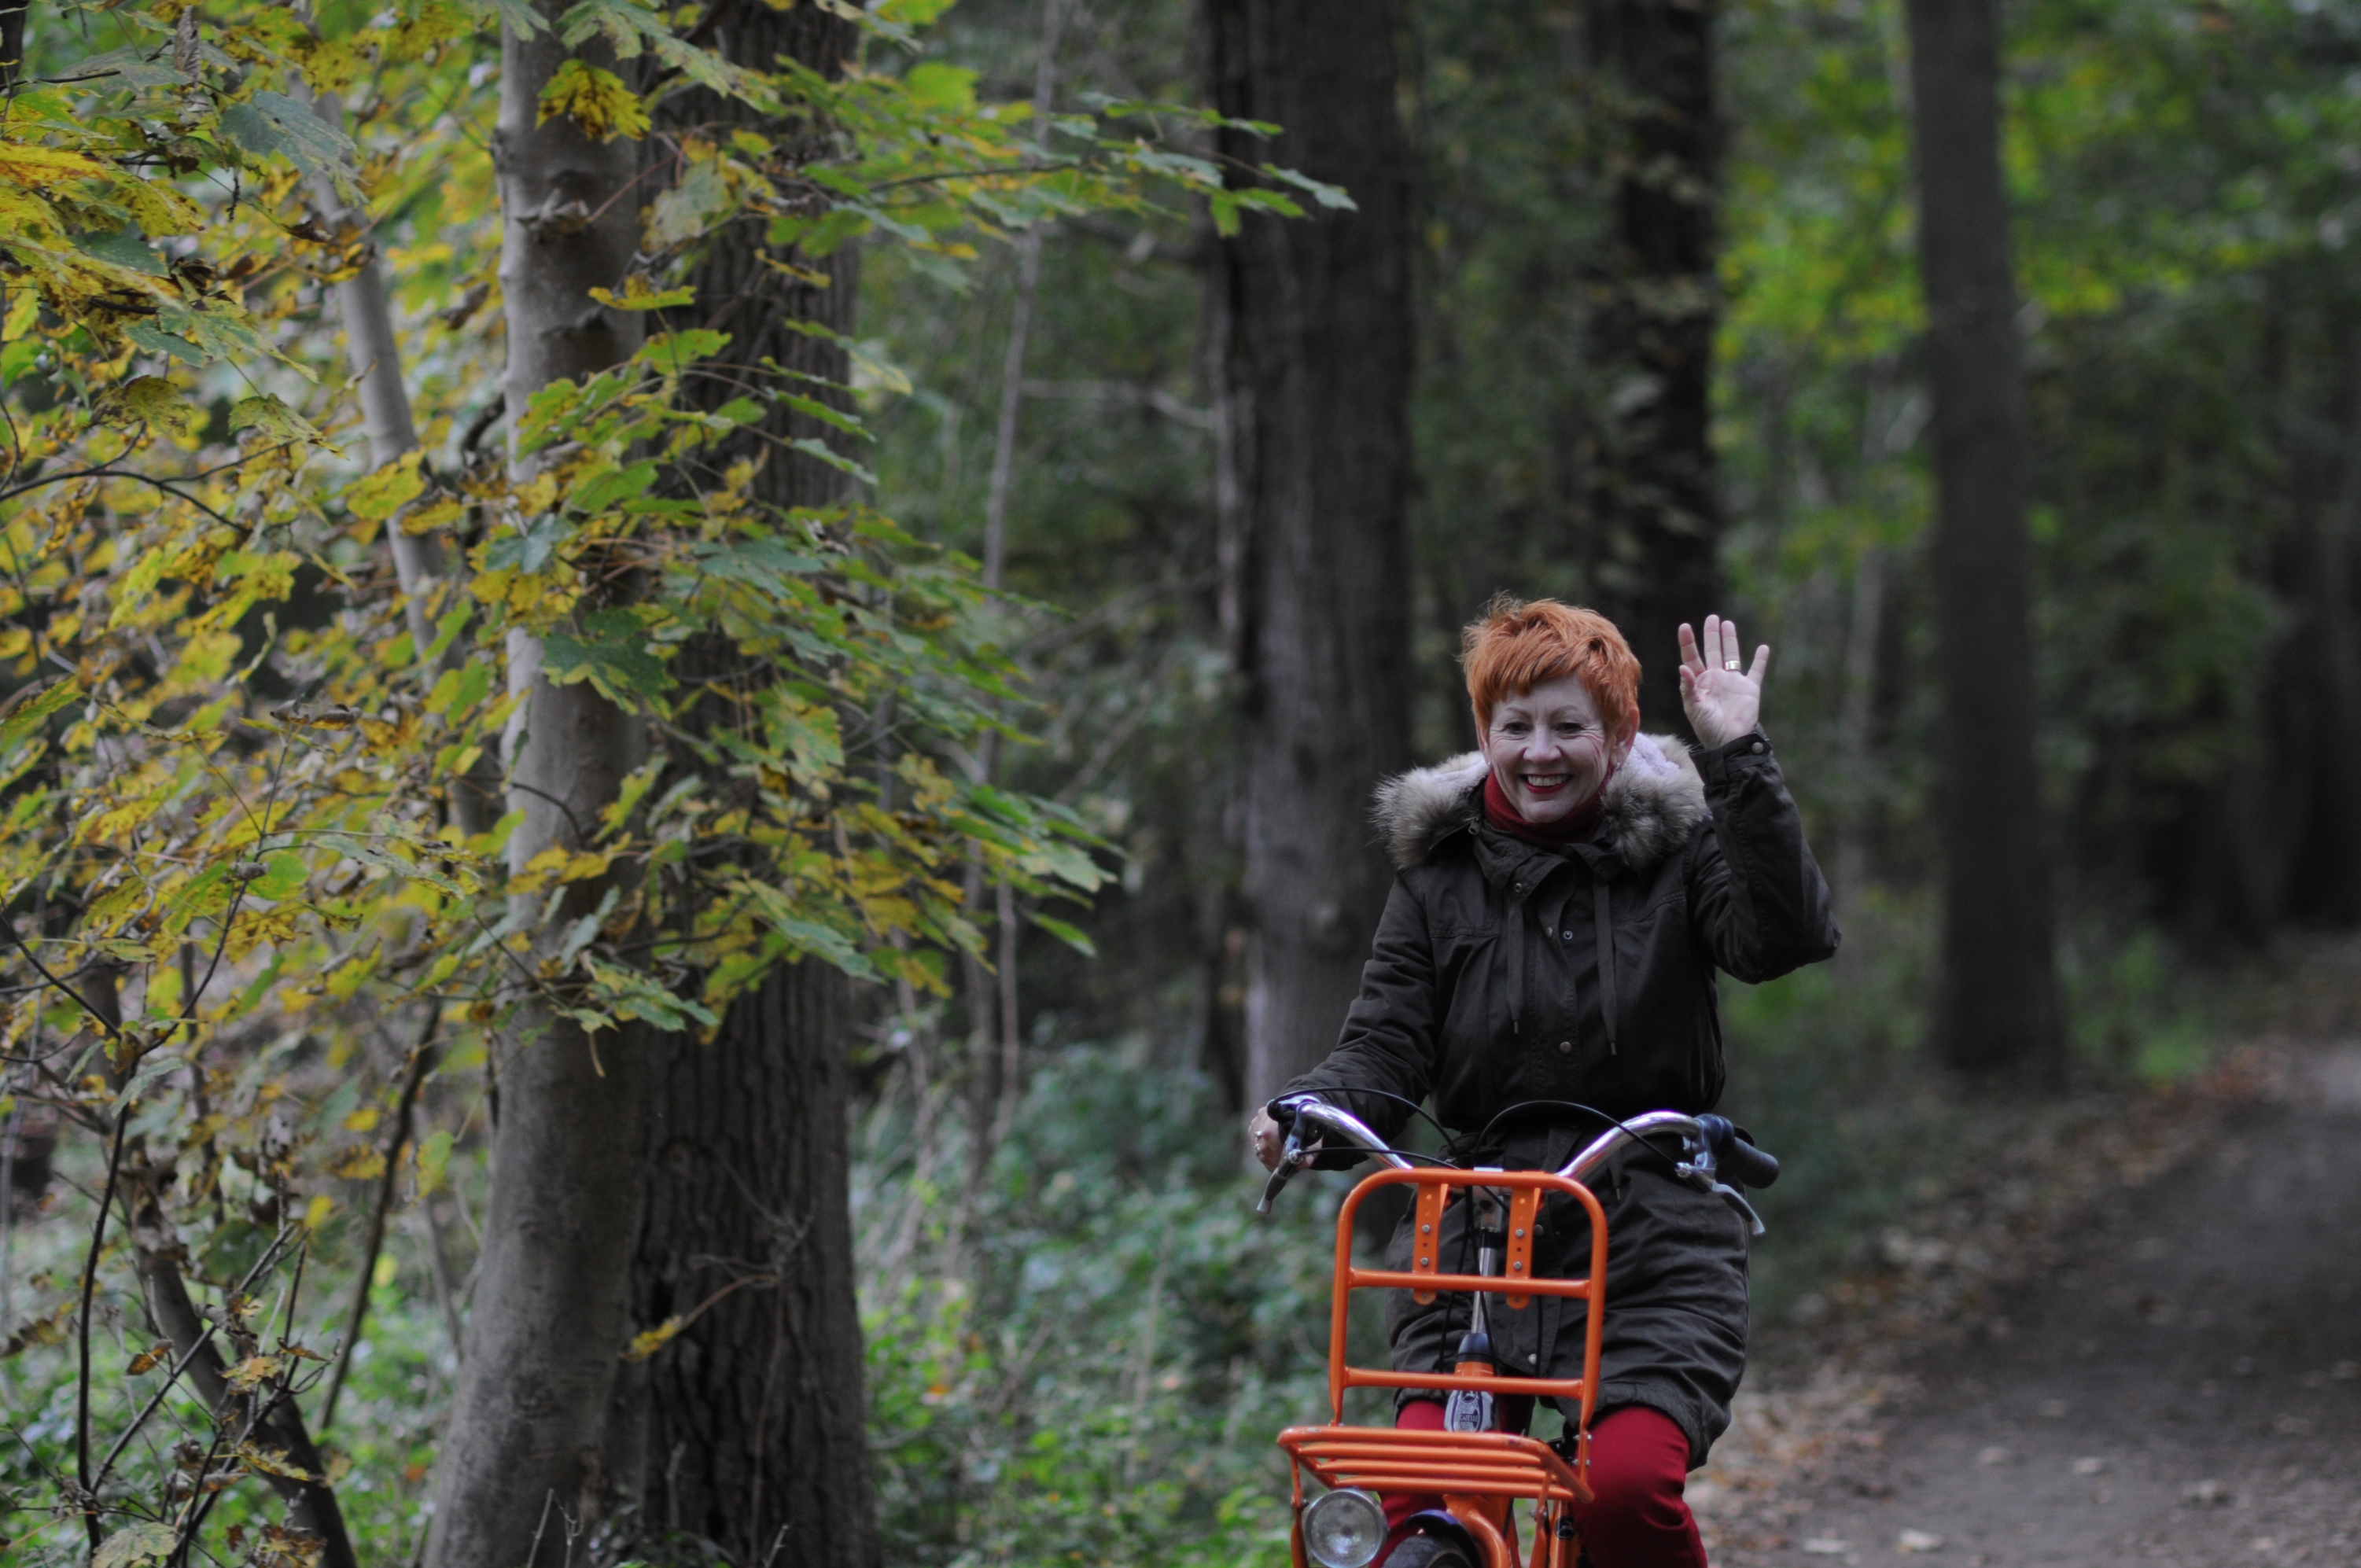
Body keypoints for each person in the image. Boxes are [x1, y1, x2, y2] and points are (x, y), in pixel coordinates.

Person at [1249, 598, 1839, 1568]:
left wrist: (1736, 756)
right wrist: (1312, 1109)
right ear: (1484, 734)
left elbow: (1784, 936)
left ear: (1613, 736)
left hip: (1648, 1230)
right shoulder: (1436, 876)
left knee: (1620, 1493)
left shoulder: (1680, 846)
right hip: (1474, 1243)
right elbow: (1385, 1043)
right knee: (1413, 1492)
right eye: (1514, 727)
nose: (1540, 752)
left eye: (1568, 725)